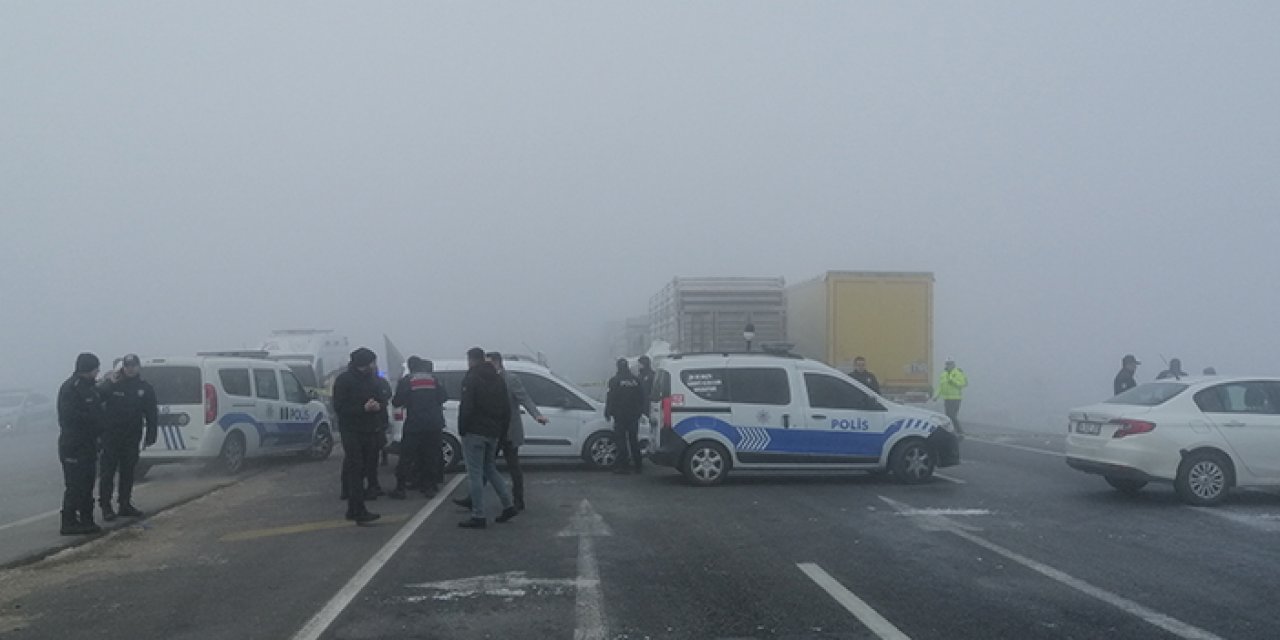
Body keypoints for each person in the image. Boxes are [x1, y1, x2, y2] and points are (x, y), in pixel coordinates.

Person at [457, 347, 518, 529]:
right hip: (493, 432)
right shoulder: (498, 379)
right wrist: (502, 430)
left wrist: (462, 429)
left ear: (471, 360)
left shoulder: (471, 378)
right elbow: (507, 408)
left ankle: (478, 515)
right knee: (490, 468)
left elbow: (466, 407)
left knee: (475, 473)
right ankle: (508, 505)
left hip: (474, 432)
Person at [97, 354, 158, 521]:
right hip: (111, 436)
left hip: (132, 436)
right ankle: (106, 506)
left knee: (128, 472)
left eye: (133, 365)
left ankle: (125, 504)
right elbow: (98, 397)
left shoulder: (144, 388)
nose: (130, 369)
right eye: (127, 366)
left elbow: (151, 413)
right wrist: (110, 382)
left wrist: (151, 434)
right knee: (107, 473)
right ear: (123, 367)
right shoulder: (113, 384)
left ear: (138, 367)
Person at [332, 348, 384, 525]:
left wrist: (378, 405)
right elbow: (339, 408)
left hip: (370, 429)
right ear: (364, 363)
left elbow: (381, 398)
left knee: (363, 469)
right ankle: (358, 509)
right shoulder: (344, 380)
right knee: (355, 468)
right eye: (371, 362)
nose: (373, 365)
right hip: (351, 431)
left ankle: (353, 509)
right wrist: (362, 409)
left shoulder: (371, 380)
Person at [57, 353, 105, 535]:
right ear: (87, 369)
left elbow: (101, 399)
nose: (97, 372)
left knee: (87, 483)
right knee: (75, 485)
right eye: (95, 369)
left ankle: (87, 519)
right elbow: (69, 416)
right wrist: (94, 421)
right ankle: (68, 522)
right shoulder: (71, 388)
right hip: (73, 445)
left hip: (89, 444)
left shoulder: (90, 388)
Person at [390, 357, 448, 499]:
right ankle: (428, 487)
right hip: (434, 424)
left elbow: (397, 401)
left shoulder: (408, 381)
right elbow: (444, 397)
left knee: (406, 457)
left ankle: (400, 488)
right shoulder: (434, 380)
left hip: (414, 424)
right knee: (431, 456)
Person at [605, 358, 646, 474]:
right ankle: (638, 465)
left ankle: (623, 465)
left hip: (620, 415)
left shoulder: (614, 380)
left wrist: (608, 412)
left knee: (621, 440)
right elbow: (642, 397)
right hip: (633, 415)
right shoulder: (636, 380)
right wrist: (640, 411)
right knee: (634, 440)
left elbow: (610, 397)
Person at [935, 359, 968, 435]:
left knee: (952, 415)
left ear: (953, 365)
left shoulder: (958, 373)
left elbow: (963, 384)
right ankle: (950, 431)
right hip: (947, 398)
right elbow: (941, 386)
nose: (948, 366)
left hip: (956, 398)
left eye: (950, 364)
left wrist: (953, 381)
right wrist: (936, 396)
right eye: (947, 364)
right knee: (948, 416)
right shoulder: (943, 374)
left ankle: (960, 431)